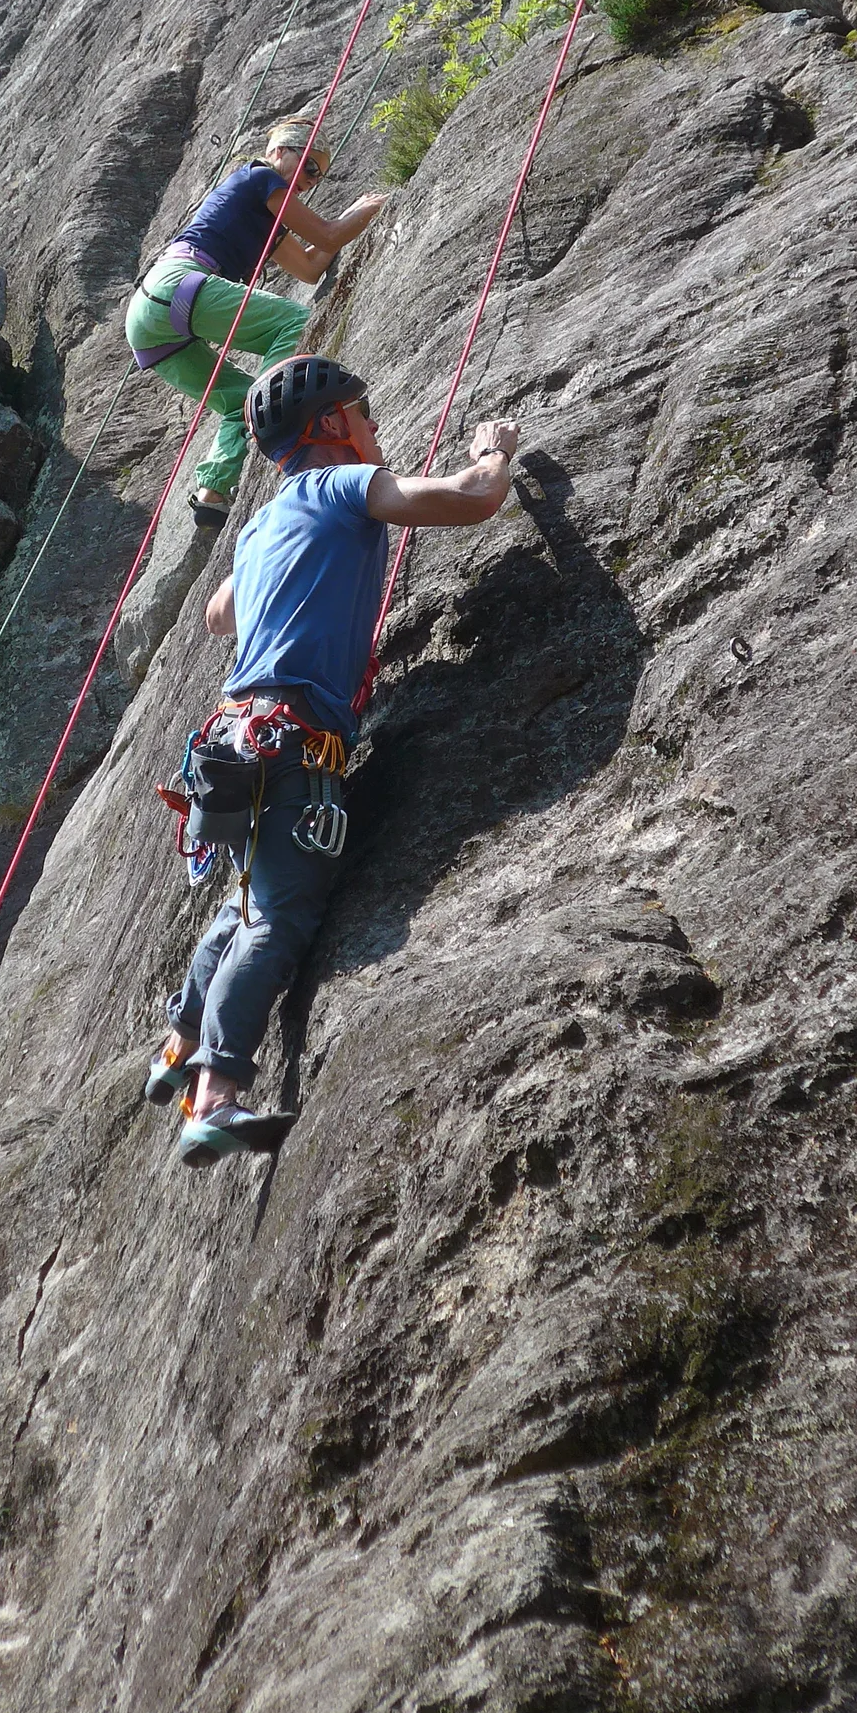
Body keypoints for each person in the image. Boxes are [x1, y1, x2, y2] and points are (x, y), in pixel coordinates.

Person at [145, 353, 522, 1166]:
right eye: (366, 414)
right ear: (330, 428)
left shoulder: (258, 527)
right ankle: (213, 1097)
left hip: (235, 741)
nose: (377, 428)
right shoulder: (339, 487)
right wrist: (495, 449)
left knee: (241, 904)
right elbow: (471, 499)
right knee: (278, 917)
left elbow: (217, 616)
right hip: (294, 745)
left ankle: (177, 1042)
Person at [125, 121, 387, 530]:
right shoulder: (260, 177)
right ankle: (272, 409)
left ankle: (213, 490)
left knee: (237, 403)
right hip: (179, 282)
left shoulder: (269, 215)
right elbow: (329, 233)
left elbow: (310, 266)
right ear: (280, 151)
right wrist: (367, 210)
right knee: (299, 322)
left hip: (147, 323)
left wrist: (345, 228)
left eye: (319, 175)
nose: (310, 182)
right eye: (308, 168)